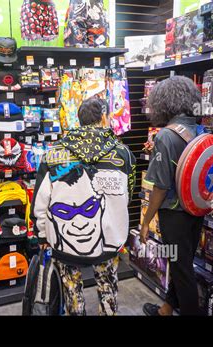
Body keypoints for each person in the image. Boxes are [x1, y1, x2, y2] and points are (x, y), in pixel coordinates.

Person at [31, 97, 136, 315]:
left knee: (72, 293)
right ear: (104, 118)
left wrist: (42, 235)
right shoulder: (123, 153)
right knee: (108, 290)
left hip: (64, 241)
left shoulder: (54, 153)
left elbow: (40, 201)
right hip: (109, 238)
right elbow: (129, 195)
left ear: (78, 121)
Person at [140, 76, 204, 316]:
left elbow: (160, 186)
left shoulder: (165, 136)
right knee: (182, 262)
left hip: (174, 214)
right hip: (196, 209)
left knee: (180, 267)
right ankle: (166, 308)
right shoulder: (199, 128)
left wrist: (146, 221)